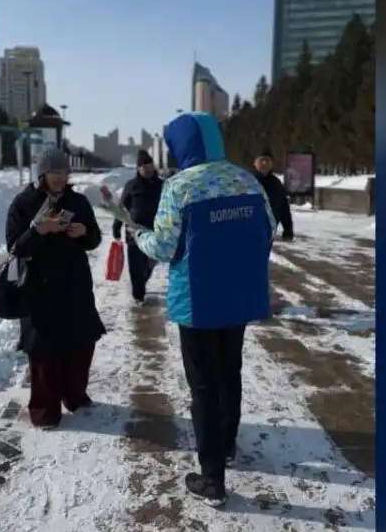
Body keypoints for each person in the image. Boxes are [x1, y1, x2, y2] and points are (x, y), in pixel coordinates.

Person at [103, 112, 274, 507]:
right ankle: (227, 443)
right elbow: (266, 232)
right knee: (230, 372)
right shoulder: (246, 179)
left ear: (182, 146)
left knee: (204, 384)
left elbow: (164, 247)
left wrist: (137, 232)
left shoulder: (179, 187)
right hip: (239, 298)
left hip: (197, 302)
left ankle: (212, 478)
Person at [5, 147, 105, 429]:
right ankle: (45, 410)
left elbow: (95, 238)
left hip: (74, 284)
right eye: (54, 172)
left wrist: (84, 233)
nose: (60, 177)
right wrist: (39, 231)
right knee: (45, 351)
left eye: (64, 171)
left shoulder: (79, 201)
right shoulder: (23, 204)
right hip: (40, 288)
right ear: (42, 174)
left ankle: (74, 395)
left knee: (81, 342)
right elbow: (15, 247)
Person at [111, 150, 163, 304]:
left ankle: (142, 280)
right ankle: (138, 296)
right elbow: (121, 208)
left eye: (149, 165)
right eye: (143, 166)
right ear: (138, 168)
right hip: (134, 232)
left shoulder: (162, 185)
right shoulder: (131, 185)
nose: (147, 169)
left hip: (155, 232)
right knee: (135, 266)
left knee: (149, 263)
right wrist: (116, 226)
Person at [253, 149, 294, 241]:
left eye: (267, 160)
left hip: (268, 232)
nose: (264, 163)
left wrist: (288, 230)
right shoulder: (247, 181)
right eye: (261, 160)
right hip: (249, 231)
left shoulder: (276, 184)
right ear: (255, 163)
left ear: (272, 164)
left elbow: (284, 208)